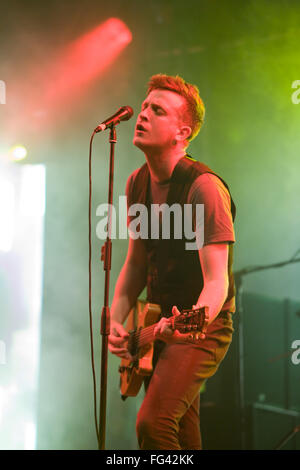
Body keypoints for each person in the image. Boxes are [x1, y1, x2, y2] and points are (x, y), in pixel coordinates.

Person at [108, 74, 236, 450]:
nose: (143, 114)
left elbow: (217, 283)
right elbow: (135, 264)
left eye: (157, 110)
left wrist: (189, 323)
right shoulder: (137, 183)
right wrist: (118, 321)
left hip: (203, 324)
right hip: (158, 322)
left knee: (153, 423)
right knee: (179, 432)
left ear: (182, 132)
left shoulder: (204, 188)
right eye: (144, 106)